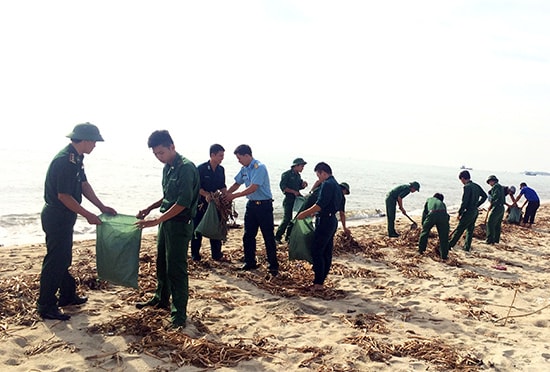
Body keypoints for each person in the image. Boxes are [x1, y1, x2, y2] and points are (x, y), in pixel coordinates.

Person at [37, 122, 117, 321]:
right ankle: (45, 304)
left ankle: (67, 295)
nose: (95, 146)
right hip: (57, 215)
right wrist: (88, 215)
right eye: (94, 142)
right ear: (86, 140)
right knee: (56, 260)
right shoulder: (65, 161)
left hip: (65, 215)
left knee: (63, 258)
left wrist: (101, 207)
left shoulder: (77, 159)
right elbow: (64, 196)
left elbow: (83, 185)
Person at [135, 130, 199, 328]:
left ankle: (179, 314)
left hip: (180, 224)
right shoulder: (168, 168)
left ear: (172, 147)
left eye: (161, 153)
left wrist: (157, 220)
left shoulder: (186, 168)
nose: (159, 157)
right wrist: (150, 209)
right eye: (155, 154)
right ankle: (161, 298)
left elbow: (182, 203)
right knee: (161, 262)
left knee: (177, 268)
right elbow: (168, 196)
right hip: (166, 222)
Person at [224, 145, 279, 276]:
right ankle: (250, 262)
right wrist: (226, 194)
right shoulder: (244, 169)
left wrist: (234, 196)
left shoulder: (259, 167)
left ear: (247, 155)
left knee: (268, 236)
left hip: (264, 206)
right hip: (251, 206)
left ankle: (273, 265)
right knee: (248, 235)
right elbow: (237, 183)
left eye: (239, 158)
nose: (239, 161)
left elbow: (253, 187)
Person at [296, 162, 343, 290]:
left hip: (325, 221)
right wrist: (315, 213)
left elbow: (320, 204)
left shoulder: (327, 184)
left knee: (317, 251)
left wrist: (303, 213)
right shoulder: (337, 185)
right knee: (326, 251)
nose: (318, 178)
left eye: (318, 175)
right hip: (332, 219)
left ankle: (318, 283)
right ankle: (321, 281)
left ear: (323, 172)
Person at [191, 144, 228, 262]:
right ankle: (195, 255)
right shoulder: (201, 168)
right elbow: (195, 186)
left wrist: (226, 195)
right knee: (197, 229)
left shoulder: (221, 170)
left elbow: (222, 186)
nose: (222, 158)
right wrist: (206, 194)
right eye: (220, 156)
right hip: (201, 203)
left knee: (216, 227)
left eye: (223, 156)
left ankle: (216, 254)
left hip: (215, 203)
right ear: (212, 155)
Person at [448, 170, 487, 252]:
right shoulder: (476, 186)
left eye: (461, 180)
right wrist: (477, 204)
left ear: (462, 178)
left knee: (460, 229)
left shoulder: (467, 187)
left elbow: (464, 202)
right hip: (475, 211)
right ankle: (467, 247)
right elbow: (484, 196)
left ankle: (449, 245)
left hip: (469, 211)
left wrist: (460, 213)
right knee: (470, 229)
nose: (461, 182)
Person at [274, 158, 308, 244]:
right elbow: (283, 188)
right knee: (287, 218)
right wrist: (294, 192)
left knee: (294, 219)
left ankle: (288, 237)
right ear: (296, 166)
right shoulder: (286, 174)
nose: (302, 168)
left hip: (296, 200)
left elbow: (299, 186)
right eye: (301, 166)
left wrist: (303, 185)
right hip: (289, 199)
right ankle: (277, 237)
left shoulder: (298, 176)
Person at [418, 193, 450, 260]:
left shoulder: (429, 199)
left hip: (432, 214)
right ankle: (444, 256)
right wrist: (446, 226)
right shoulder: (442, 204)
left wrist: (424, 224)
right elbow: (447, 216)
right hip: (443, 215)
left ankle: (421, 250)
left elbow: (425, 213)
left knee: (425, 232)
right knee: (444, 236)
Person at [485, 175, 505, 244]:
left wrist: (491, 203)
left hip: (497, 207)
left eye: (490, 182)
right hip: (502, 207)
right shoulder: (501, 187)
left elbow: (496, 196)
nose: (489, 184)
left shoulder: (496, 186)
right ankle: (496, 240)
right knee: (497, 224)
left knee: (490, 223)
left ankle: (490, 240)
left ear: (492, 181)